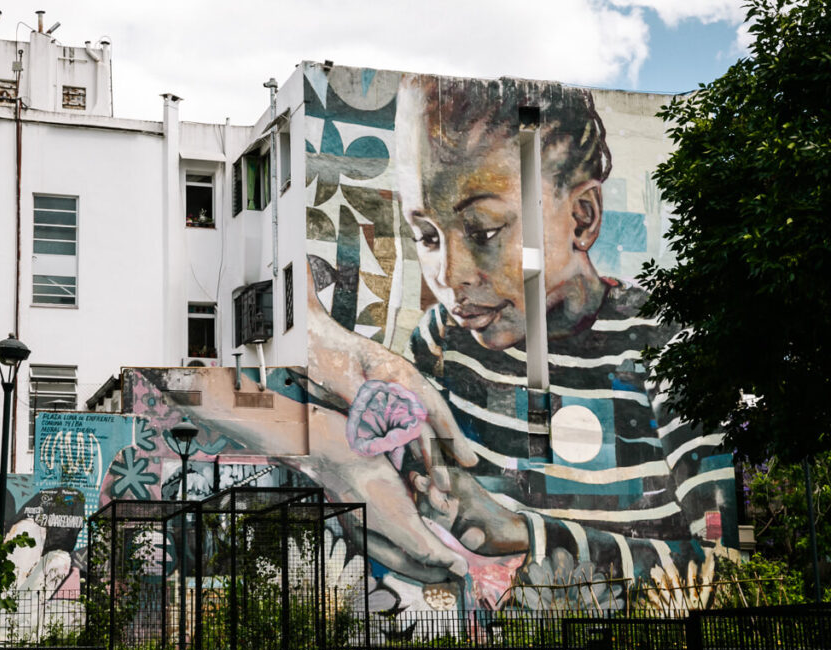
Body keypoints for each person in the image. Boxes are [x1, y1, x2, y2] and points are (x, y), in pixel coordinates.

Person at [299, 73, 734, 607]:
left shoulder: (663, 345)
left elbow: (727, 570)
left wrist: (527, 535)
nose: (449, 275)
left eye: (482, 230)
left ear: (582, 216)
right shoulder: (441, 342)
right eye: (428, 237)